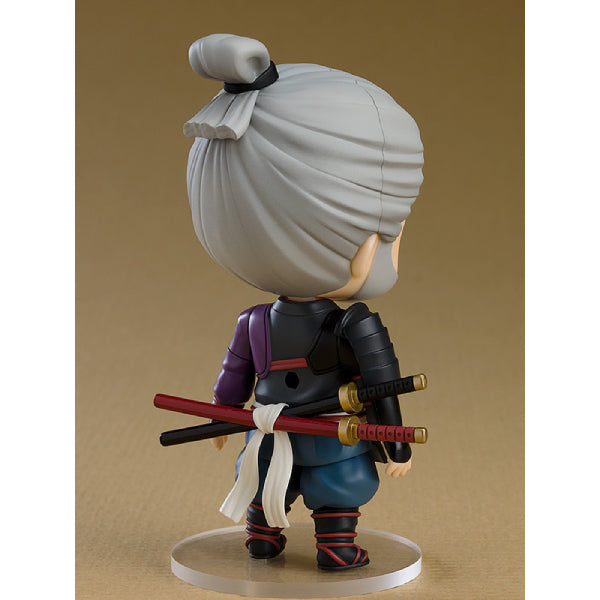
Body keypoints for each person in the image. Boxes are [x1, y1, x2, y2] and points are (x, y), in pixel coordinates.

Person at [184, 33, 424, 570]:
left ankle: (262, 537)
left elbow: (233, 378)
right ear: (368, 243)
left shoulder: (254, 322)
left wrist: (225, 416)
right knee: (338, 488)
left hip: (269, 432)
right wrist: (395, 444)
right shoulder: (356, 324)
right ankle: (335, 547)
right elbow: (383, 386)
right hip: (333, 437)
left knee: (264, 481)